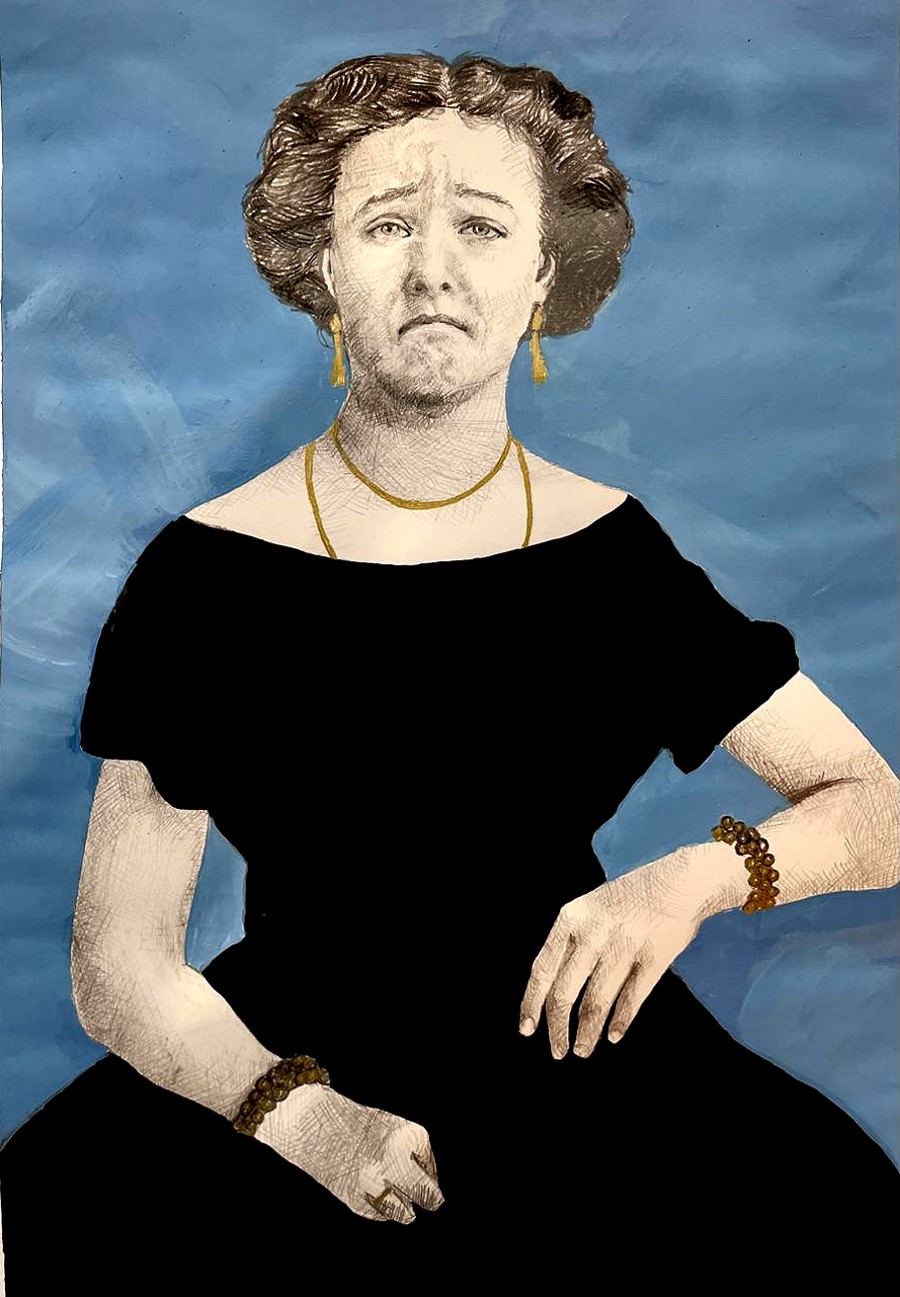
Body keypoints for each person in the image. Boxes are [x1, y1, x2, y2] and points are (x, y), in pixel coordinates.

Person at [1, 51, 898, 1288]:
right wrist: (303, 1121)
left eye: (480, 226)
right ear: (324, 266)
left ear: (542, 274)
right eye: (387, 225)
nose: (433, 269)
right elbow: (119, 967)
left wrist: (693, 879)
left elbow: (879, 807)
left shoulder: (614, 559)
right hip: (277, 1082)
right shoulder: (200, 575)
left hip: (589, 1065)